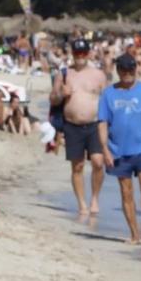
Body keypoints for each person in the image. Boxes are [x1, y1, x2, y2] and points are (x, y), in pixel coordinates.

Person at [97, 55, 141, 246]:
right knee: (126, 192)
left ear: (136, 70)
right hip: (118, 149)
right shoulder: (109, 94)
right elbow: (102, 123)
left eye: (131, 70)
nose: (127, 73)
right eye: (124, 70)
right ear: (118, 70)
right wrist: (105, 150)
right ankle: (134, 234)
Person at [61, 41, 109, 219]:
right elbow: (54, 99)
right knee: (78, 166)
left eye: (83, 52)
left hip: (95, 124)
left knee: (98, 162)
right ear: (72, 53)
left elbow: (107, 100)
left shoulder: (98, 75)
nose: (80, 56)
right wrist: (61, 93)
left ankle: (95, 198)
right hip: (72, 125)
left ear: (88, 54)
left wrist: (110, 124)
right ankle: (82, 203)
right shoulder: (65, 73)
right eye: (77, 52)